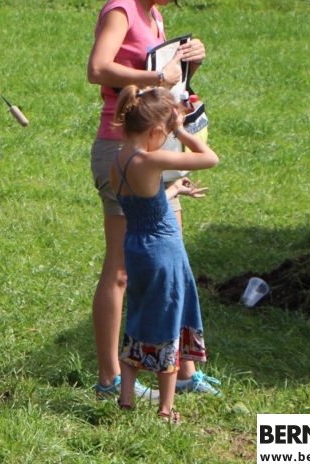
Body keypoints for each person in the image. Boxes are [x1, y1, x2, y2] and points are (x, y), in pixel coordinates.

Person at [86, 0, 217, 401]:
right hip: (123, 151)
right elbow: (98, 68)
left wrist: (189, 63)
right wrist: (156, 75)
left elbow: (162, 84)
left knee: (172, 262)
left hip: (155, 146)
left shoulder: (154, 13)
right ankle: (109, 380)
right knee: (122, 270)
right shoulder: (121, 8)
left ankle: (182, 373)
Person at [109, 86, 218, 423]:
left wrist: (171, 190)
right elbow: (209, 158)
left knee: (138, 317)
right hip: (162, 251)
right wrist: (182, 130)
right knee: (168, 324)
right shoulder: (150, 159)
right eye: (166, 134)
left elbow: (143, 204)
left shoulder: (119, 159)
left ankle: (126, 399)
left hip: (136, 248)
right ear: (156, 130)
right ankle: (166, 409)